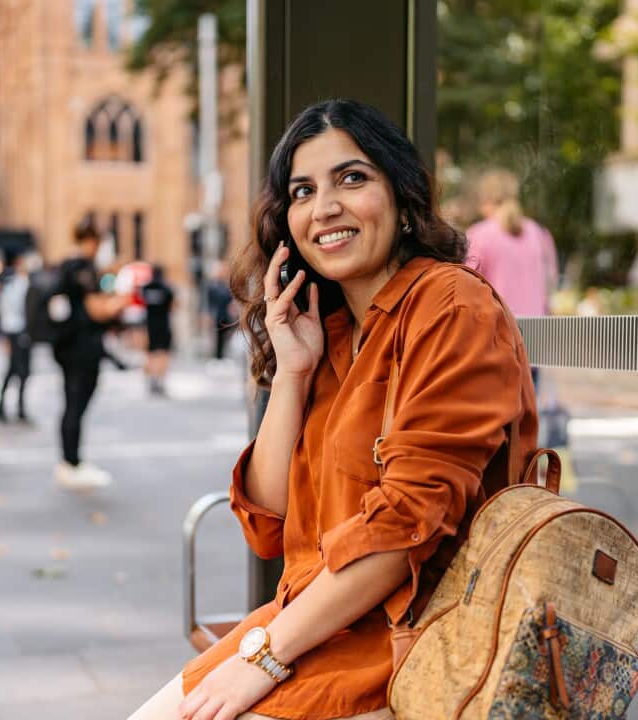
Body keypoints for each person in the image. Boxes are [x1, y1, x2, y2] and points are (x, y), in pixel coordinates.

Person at [128, 99, 538, 720]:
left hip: (412, 647)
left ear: (402, 197)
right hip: (312, 629)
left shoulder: (451, 308)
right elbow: (268, 523)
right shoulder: (335, 331)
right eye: (302, 190)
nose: (324, 207)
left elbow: (405, 530)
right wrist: (292, 374)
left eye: (352, 178)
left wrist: (263, 661)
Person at [53, 218, 130, 489]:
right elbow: (97, 310)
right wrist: (121, 299)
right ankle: (70, 462)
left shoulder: (69, 265)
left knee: (72, 402)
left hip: (67, 345)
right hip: (81, 346)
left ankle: (70, 460)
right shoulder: (82, 268)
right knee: (76, 402)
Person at [465, 169, 558, 386]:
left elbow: (466, 291)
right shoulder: (539, 233)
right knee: (527, 413)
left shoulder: (478, 235)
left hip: (495, 341)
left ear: (486, 200)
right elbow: (550, 284)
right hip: (534, 341)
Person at [0, 252, 33, 423]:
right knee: (17, 370)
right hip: (17, 330)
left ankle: (11, 407)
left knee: (18, 371)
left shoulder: (10, 283)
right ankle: (11, 408)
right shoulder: (17, 283)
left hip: (16, 330)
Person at [141, 263, 176, 396]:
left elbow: (142, 302)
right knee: (163, 352)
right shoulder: (167, 288)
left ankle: (150, 379)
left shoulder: (146, 288)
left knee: (150, 353)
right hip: (164, 323)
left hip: (149, 324)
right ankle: (161, 380)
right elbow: (173, 306)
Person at [206, 262, 238, 361]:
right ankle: (217, 357)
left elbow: (230, 299)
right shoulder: (212, 286)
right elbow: (209, 302)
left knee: (225, 336)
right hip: (216, 315)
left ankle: (223, 356)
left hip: (225, 315)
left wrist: (233, 309)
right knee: (217, 337)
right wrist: (208, 316)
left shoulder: (225, 286)